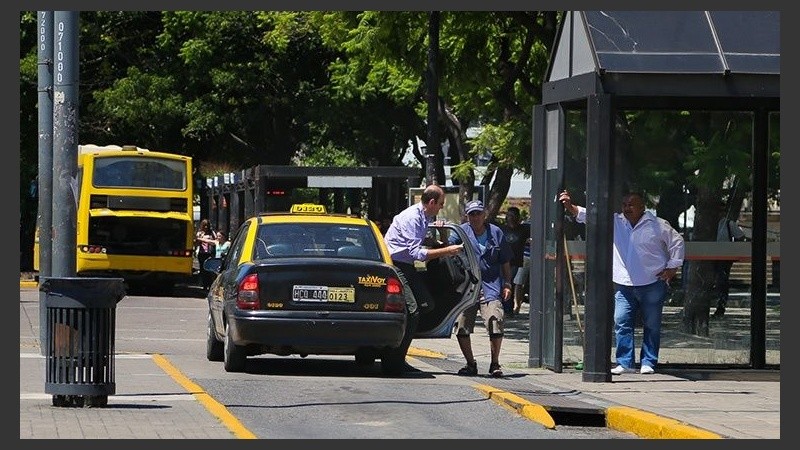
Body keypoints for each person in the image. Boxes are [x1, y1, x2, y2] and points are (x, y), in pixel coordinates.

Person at [559, 190, 684, 375]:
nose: (627, 208)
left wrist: (673, 267)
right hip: (624, 283)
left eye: (631, 204)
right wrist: (570, 207)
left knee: (652, 324)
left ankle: (648, 362)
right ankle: (625, 363)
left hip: (652, 282)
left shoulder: (657, 225)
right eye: (624, 204)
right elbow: (590, 216)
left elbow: (677, 243)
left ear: (642, 207)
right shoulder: (616, 222)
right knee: (621, 321)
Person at [383, 184, 465, 369]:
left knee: (427, 304)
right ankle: (395, 359)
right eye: (441, 204)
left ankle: (398, 349)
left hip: (407, 265)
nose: (442, 207)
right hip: (397, 266)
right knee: (413, 311)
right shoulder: (412, 217)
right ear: (432, 202)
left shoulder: (424, 217)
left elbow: (422, 240)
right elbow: (415, 253)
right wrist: (447, 251)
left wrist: (440, 238)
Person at [449, 200, 513, 377]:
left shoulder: (496, 232)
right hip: (467, 287)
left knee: (495, 320)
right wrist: (439, 233)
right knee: (461, 325)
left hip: (491, 286)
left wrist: (507, 283)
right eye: (472, 214)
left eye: (478, 213)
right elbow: (447, 247)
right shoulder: (461, 232)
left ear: (484, 214)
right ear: (467, 216)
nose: (475, 217)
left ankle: (495, 363)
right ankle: (470, 364)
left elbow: (505, 261)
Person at [714, 214, 747, 318]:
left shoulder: (728, 223)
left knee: (722, 281)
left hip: (724, 257)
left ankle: (720, 307)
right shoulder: (705, 224)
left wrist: (733, 250)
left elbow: (740, 236)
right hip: (707, 256)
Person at [502, 206, 529, 316]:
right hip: (503, 261)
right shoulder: (502, 229)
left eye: (513, 216)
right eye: (509, 216)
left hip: (515, 262)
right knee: (504, 284)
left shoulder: (524, 229)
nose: (511, 219)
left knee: (510, 283)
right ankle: (506, 308)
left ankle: (508, 309)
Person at [195, 219, 216, 290]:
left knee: (209, 270)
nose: (206, 227)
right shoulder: (200, 233)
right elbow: (196, 242)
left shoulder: (212, 233)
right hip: (202, 254)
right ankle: (204, 285)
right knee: (203, 270)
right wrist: (199, 239)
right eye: (204, 226)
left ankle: (210, 285)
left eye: (207, 225)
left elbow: (215, 242)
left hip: (210, 254)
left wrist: (204, 240)